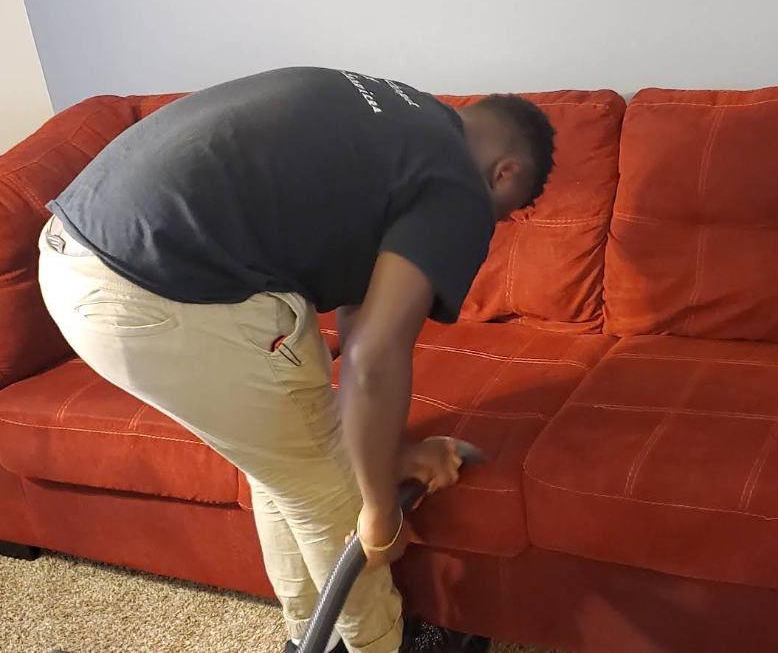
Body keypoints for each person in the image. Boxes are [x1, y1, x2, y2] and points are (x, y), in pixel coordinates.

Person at [37, 67, 556, 653]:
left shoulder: (404, 119)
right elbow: (374, 359)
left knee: (288, 465)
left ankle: (316, 637)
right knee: (330, 490)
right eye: (507, 211)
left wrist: (391, 455)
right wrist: (380, 512)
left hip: (71, 253)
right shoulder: (460, 185)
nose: (494, 222)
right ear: (505, 173)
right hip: (154, 288)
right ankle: (378, 646)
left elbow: (363, 314)